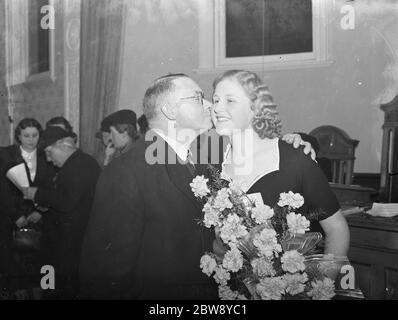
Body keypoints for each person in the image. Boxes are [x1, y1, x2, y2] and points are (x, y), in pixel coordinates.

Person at [79, 73, 315, 300]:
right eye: (198, 98)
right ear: (170, 110)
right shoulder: (126, 172)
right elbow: (106, 273)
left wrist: (285, 144)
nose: (210, 104)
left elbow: (248, 150)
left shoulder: (203, 160)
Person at [212, 70, 350, 257]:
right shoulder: (213, 167)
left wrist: (323, 281)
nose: (217, 108)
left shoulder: (294, 158)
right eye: (216, 100)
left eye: (230, 100)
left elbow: (337, 229)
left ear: (255, 108)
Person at [22, 126, 101, 299]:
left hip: (71, 243)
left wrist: (37, 194)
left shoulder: (81, 164)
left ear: (64, 144)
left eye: (50, 152)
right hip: (63, 240)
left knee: (64, 289)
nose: (49, 160)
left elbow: (67, 201)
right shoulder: (75, 164)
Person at [0, 118, 56, 299]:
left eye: (35, 135)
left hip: (37, 215)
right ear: (18, 136)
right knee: (12, 257)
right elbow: (3, 190)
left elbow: (50, 188)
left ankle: (37, 290)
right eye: (26, 136)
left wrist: (40, 211)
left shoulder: (46, 155)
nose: (31, 139)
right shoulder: (6, 155)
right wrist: (16, 216)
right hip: (10, 215)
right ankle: (15, 292)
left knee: (37, 255)